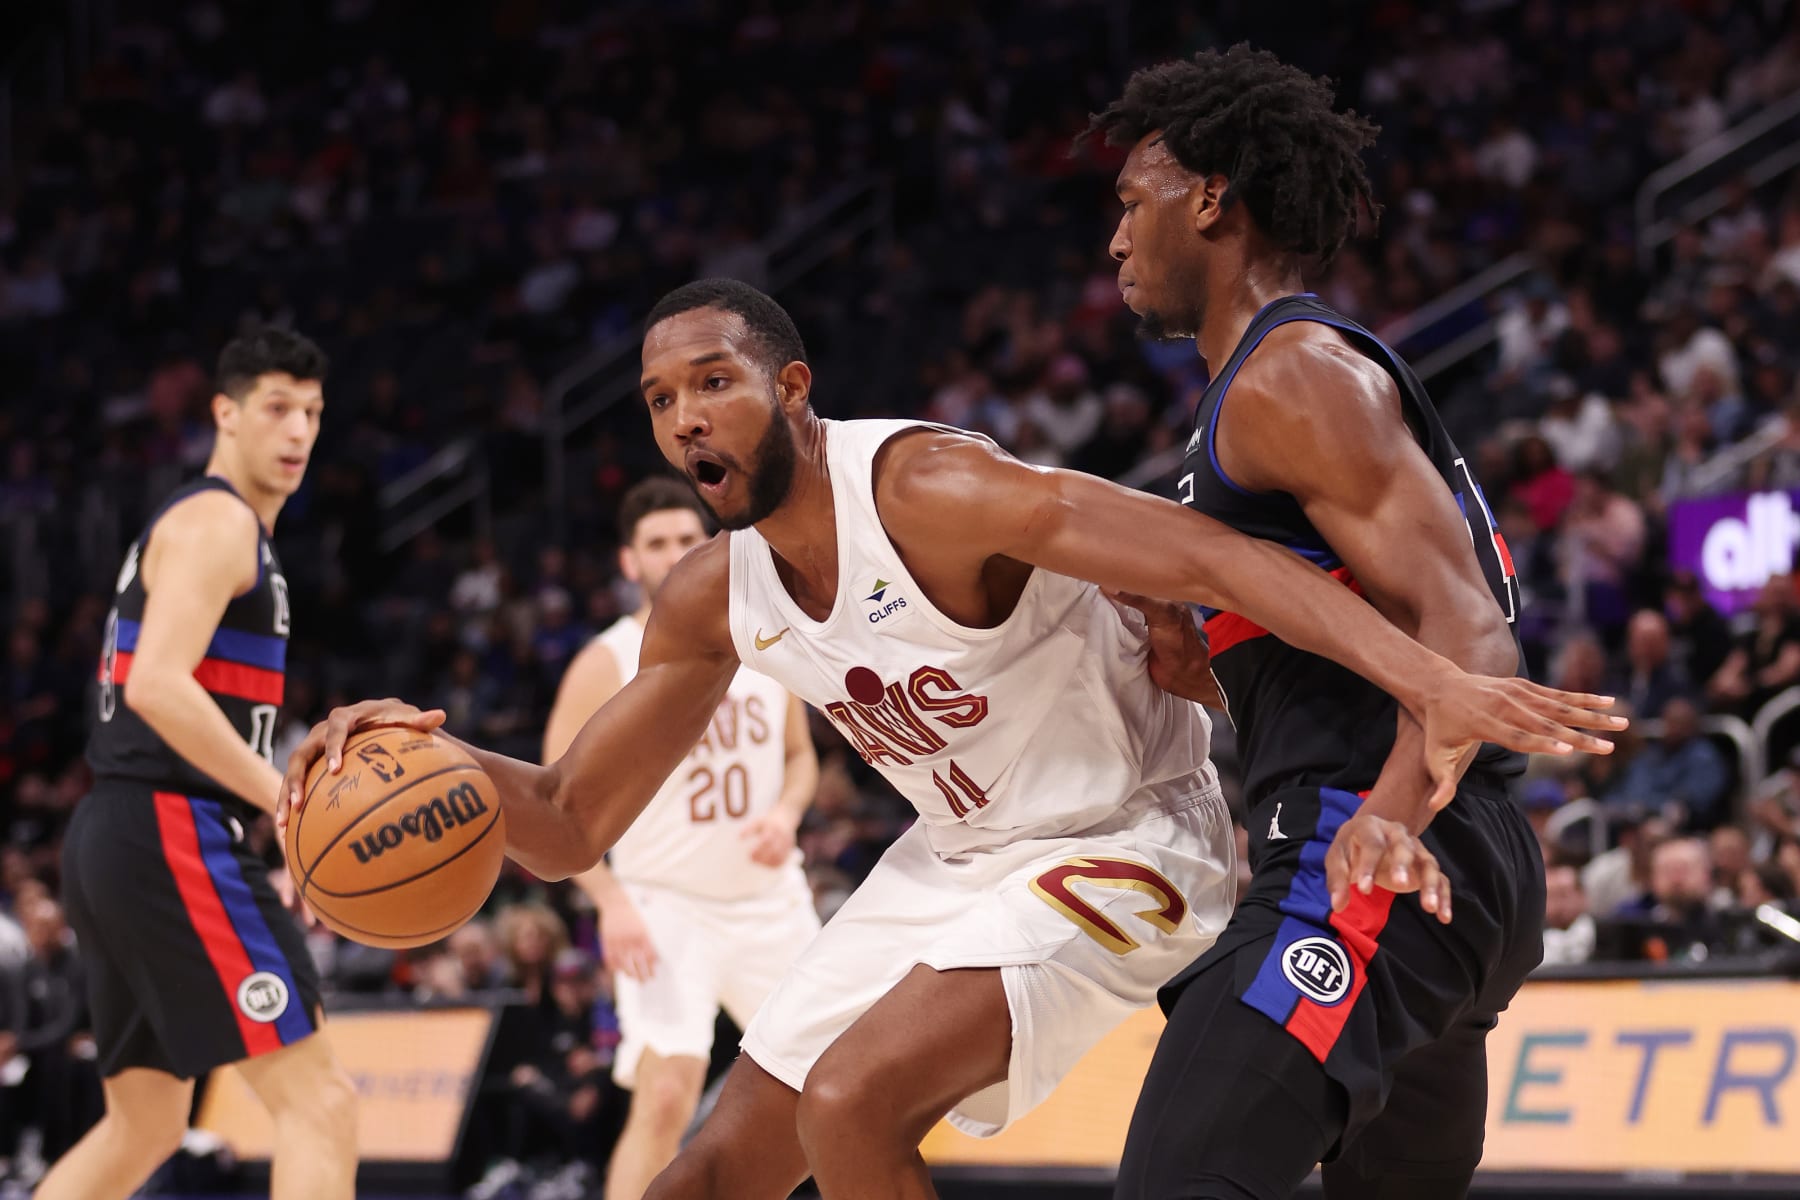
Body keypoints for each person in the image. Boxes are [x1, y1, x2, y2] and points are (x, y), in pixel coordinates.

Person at [281, 281, 1618, 1200]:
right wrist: (430, 762)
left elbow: (1209, 551)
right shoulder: (708, 595)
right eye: (658, 399)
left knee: (851, 1102)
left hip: (1129, 832)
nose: (685, 417)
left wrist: (1425, 673)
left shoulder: (928, 486)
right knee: (707, 1176)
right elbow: (572, 820)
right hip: (964, 850)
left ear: (791, 388)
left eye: (714, 382)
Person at [1088, 45, 1574, 1199]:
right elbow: (1361, 640)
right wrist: (1206, 666)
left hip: (1380, 840)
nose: (1115, 240)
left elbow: (1471, 636)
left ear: (1211, 199)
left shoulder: (1290, 375)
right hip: (1449, 849)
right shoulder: (1278, 384)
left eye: (1132, 202)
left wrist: (1387, 821)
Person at [42, 330, 357, 1200]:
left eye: (313, 413)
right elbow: (155, 686)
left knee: (143, 1126)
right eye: (277, 408)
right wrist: (286, 805)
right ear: (225, 413)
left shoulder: (212, 525)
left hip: (119, 830)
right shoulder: (218, 521)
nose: (298, 431)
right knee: (320, 1103)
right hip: (168, 827)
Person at [542, 477, 821, 1200]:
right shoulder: (606, 660)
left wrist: (786, 814)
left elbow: (800, 758)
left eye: (686, 539)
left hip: (768, 901)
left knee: (828, 1086)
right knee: (667, 1092)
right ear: (628, 561)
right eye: (656, 543)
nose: (673, 554)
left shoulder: (764, 634)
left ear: (712, 545)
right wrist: (610, 901)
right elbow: (549, 806)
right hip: (663, 904)